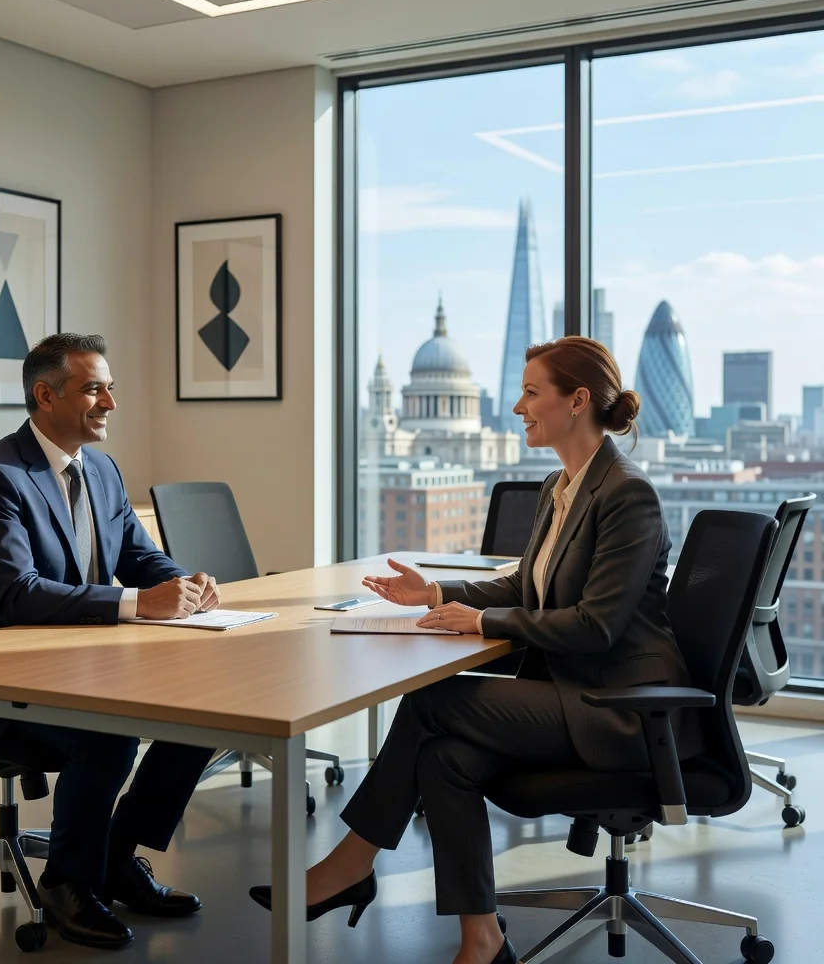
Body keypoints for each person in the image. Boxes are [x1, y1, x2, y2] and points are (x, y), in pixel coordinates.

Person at [250, 336, 701, 964]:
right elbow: (527, 585)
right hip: (574, 690)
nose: (517, 406)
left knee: (434, 701)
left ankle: (348, 866)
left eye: (531, 392)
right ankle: (481, 939)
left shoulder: (627, 492)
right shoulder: (561, 486)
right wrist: (433, 591)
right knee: (445, 759)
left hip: (620, 707)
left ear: (577, 401)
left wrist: (482, 619)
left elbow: (595, 626)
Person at [0, 332, 219, 950]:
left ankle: (116, 857)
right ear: (46, 395)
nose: (110, 404)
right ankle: (68, 881)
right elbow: (17, 594)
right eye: (94, 389)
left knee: (206, 712)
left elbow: (139, 555)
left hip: (83, 659)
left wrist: (184, 583)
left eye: (110, 388)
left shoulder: (100, 468)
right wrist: (136, 604)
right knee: (109, 726)